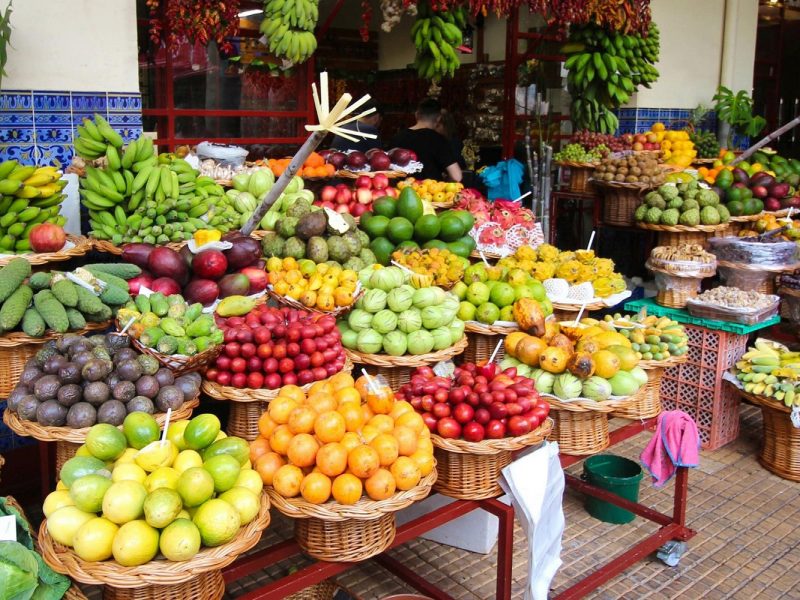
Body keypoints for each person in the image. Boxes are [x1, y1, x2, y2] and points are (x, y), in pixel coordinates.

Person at [389, 98, 462, 182]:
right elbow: (457, 176)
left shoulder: (398, 137)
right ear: (438, 118)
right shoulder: (438, 140)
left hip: (402, 191)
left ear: (416, 115)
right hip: (430, 192)